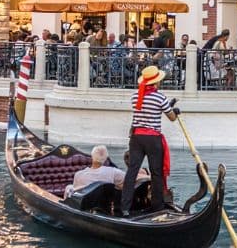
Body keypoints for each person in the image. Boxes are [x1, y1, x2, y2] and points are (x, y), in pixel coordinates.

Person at [120, 66, 179, 217]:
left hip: (137, 138)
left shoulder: (135, 97)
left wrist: (168, 105)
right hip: (153, 139)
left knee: (132, 171)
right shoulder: (160, 97)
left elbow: (145, 112)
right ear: (156, 82)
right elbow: (171, 118)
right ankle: (157, 207)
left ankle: (125, 207)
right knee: (156, 173)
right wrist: (175, 111)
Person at [63, 145, 147, 198]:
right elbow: (132, 177)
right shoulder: (113, 172)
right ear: (106, 158)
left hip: (84, 205)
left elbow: (75, 194)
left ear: (92, 157)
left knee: (69, 187)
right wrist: (148, 176)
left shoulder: (79, 175)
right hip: (105, 204)